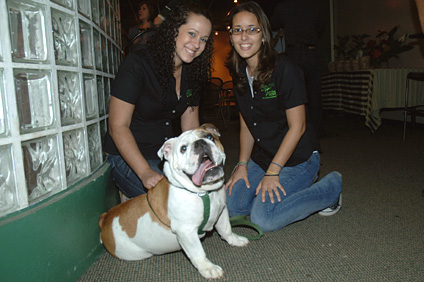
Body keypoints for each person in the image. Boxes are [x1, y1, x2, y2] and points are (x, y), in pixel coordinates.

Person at [225, 1, 342, 233]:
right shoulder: (239, 72)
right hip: (264, 155)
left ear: (265, 35)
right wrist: (242, 164)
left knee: (263, 219)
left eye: (252, 29)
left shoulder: (285, 69)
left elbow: (297, 127)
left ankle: (331, 188)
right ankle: (283, 190)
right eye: (237, 30)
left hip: (299, 157)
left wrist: (273, 172)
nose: (244, 37)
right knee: (232, 208)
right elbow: (247, 124)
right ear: (231, 37)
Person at [103, 2, 214, 198]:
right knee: (175, 201)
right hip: (128, 156)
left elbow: (190, 128)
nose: (197, 44)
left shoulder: (193, 72)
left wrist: (200, 163)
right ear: (173, 30)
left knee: (205, 193)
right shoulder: (138, 64)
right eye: (192, 34)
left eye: (203, 39)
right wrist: (145, 172)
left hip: (165, 153)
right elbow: (117, 125)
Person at [270, 0, 325, 137]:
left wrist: (288, 25)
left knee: (293, 93)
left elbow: (273, 24)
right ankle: (316, 131)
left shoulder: (284, 6)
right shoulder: (314, 5)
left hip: (293, 52)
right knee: (314, 93)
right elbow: (321, 28)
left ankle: (296, 129)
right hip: (311, 50)